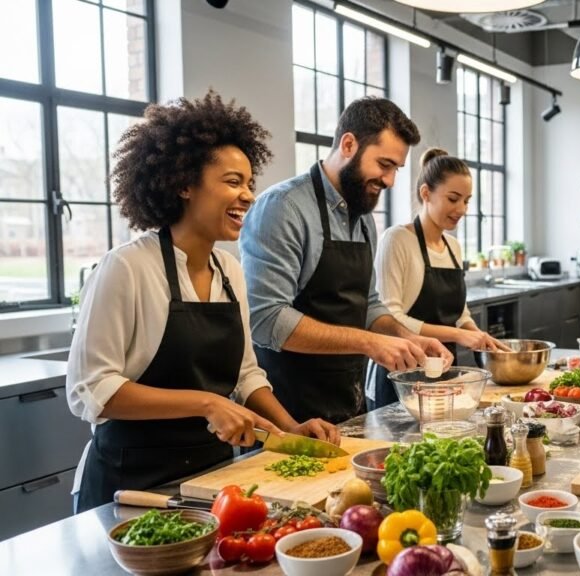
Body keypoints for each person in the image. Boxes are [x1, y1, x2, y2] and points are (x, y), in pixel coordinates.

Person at [67, 92, 339, 513]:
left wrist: (292, 430)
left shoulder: (229, 272)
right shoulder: (127, 268)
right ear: (184, 184)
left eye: (250, 183)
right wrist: (207, 402)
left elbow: (246, 374)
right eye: (233, 182)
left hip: (209, 481)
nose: (248, 195)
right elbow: (92, 390)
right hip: (128, 483)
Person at [241, 97, 451, 423]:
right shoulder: (284, 209)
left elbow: (367, 304)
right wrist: (370, 343)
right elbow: (266, 319)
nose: (391, 181)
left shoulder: (363, 217)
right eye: (384, 165)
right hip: (288, 417)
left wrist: (405, 338)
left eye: (396, 168)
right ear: (349, 144)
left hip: (348, 409)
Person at [366, 148, 508, 409]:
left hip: (444, 372)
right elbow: (389, 315)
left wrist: (481, 339)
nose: (462, 209)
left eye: (466, 200)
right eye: (453, 199)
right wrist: (457, 335)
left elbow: (460, 314)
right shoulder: (397, 240)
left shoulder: (453, 247)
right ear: (425, 193)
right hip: (401, 375)